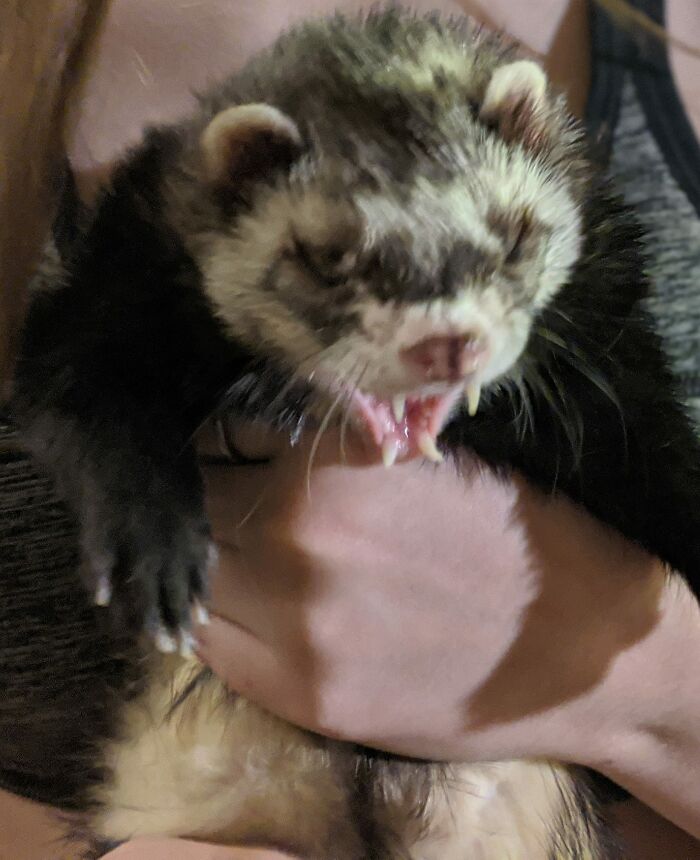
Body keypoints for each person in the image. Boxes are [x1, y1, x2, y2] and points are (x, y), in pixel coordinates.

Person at [0, 1, 699, 858]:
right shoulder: (122, 257)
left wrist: (653, 687)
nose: (451, 335)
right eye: (333, 261)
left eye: (507, 243)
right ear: (236, 185)